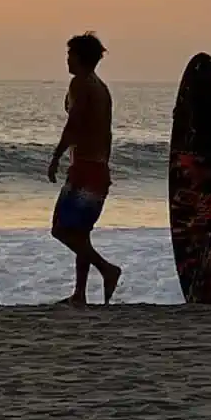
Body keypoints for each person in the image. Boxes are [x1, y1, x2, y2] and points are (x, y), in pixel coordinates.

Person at [47, 32, 123, 306]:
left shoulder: (79, 84)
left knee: (60, 229)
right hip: (99, 168)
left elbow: (74, 124)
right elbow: (107, 133)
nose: (67, 59)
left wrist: (56, 156)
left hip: (85, 170)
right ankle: (79, 294)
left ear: (79, 57)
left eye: (70, 54)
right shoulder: (101, 87)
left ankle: (107, 269)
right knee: (81, 234)